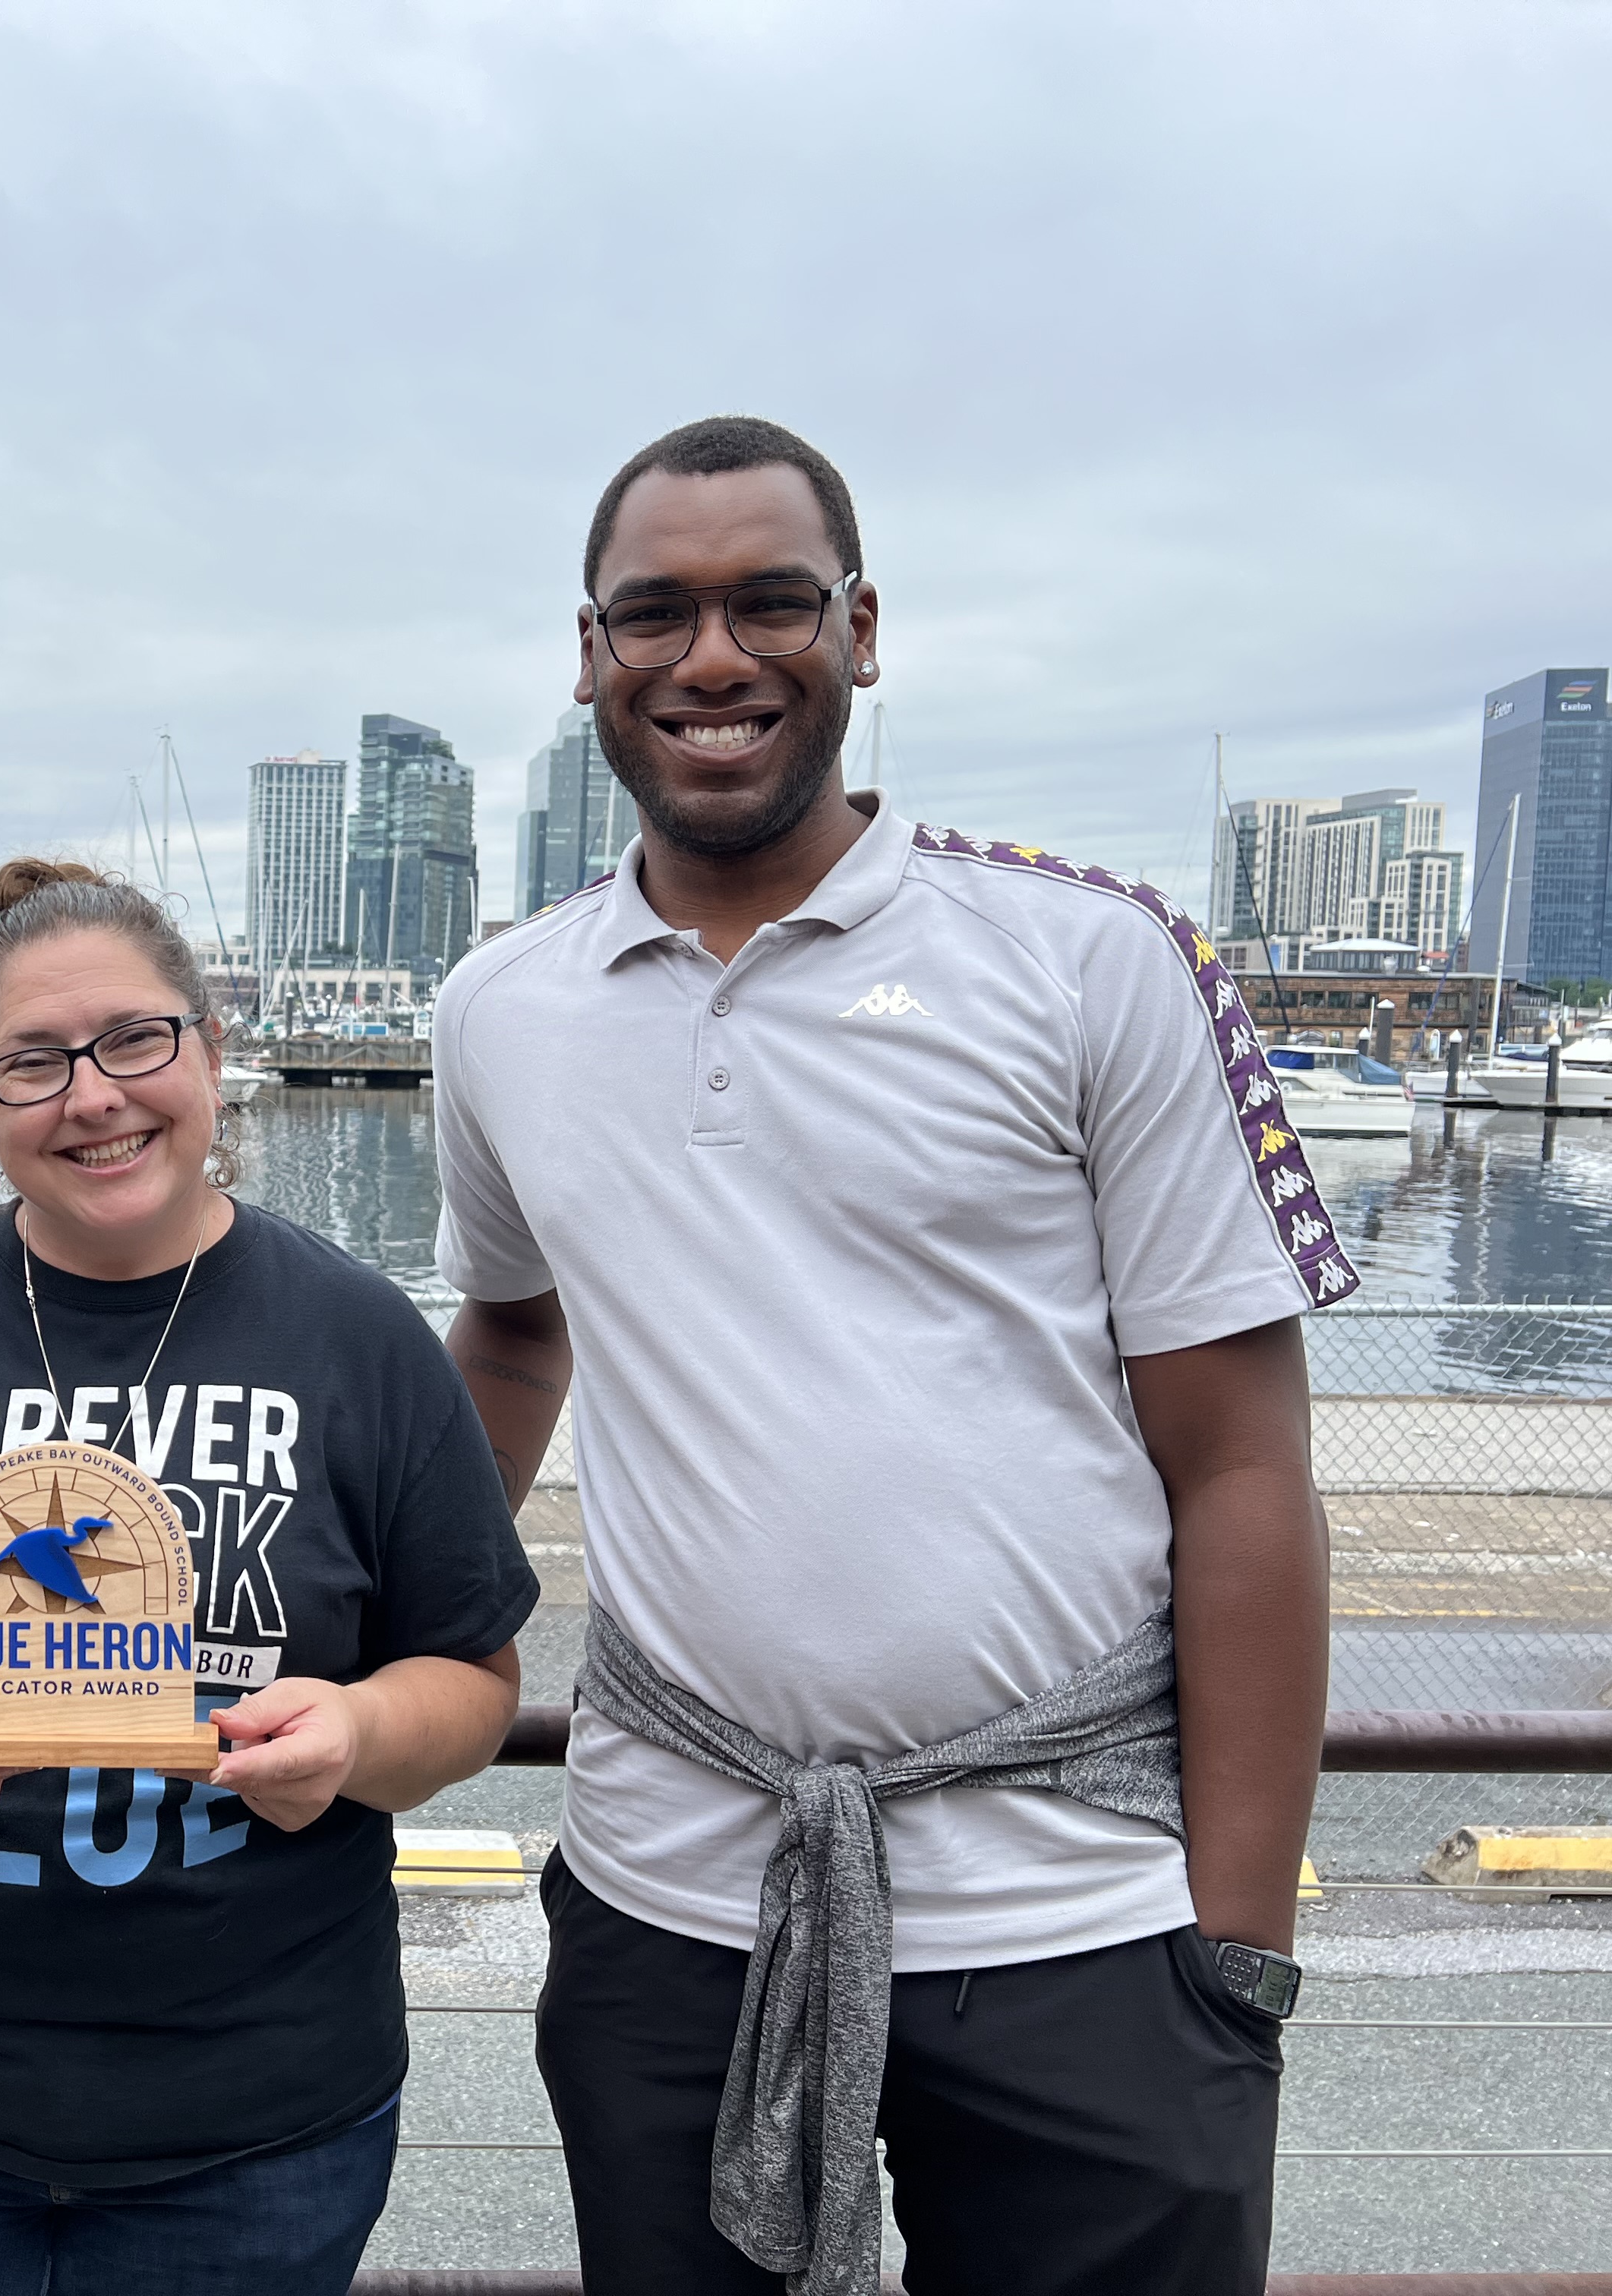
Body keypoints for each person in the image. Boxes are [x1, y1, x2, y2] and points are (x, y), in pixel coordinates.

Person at [436, 417, 1342, 2296]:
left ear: (859, 630)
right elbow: (513, 1334)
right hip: (671, 1900)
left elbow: (1242, 1462)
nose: (712, 659)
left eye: (770, 603)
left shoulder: (1093, 962)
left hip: (1084, 1919)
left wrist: (1233, 1951)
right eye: (653, 614)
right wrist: (366, 1613)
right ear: (586, 653)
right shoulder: (502, 1010)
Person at [0, 862, 538, 2296]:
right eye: (31, 1063)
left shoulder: (361, 1337)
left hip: (262, 2128)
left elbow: (473, 1673)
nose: (95, 1095)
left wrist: (361, 1737)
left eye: (138, 1039)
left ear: (209, 1048)